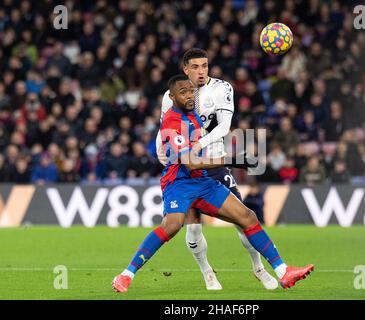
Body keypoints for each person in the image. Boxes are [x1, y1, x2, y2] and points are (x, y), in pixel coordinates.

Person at [112, 75, 313, 293]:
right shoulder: (172, 121)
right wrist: (233, 160)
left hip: (204, 181)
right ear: (172, 97)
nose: (189, 95)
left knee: (247, 217)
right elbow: (190, 163)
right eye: (183, 92)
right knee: (172, 226)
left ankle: (283, 272)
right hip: (179, 183)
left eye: (191, 91)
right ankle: (126, 275)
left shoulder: (193, 116)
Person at [155, 48, 277, 290]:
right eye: (196, 67)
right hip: (186, 172)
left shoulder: (222, 89)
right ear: (185, 69)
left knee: (243, 219)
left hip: (214, 164)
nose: (202, 71)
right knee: (192, 230)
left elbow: (223, 128)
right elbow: (164, 129)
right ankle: (207, 272)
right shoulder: (170, 96)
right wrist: (163, 152)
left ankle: (258, 267)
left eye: (205, 66)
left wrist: (197, 145)